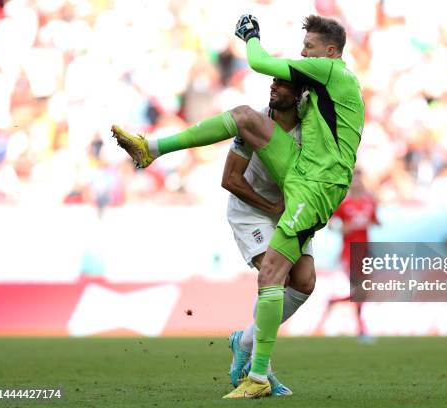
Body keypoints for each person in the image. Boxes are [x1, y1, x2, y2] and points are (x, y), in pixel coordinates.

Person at [111, 14, 364, 399]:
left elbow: (261, 61)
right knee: (245, 118)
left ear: (329, 52)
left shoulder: (331, 73)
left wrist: (251, 37)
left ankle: (249, 353)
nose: (301, 56)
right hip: (286, 186)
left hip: (314, 187)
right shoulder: (304, 105)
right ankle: (152, 148)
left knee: (300, 281)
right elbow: (231, 178)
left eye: (307, 49)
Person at [222, 78, 315, 396]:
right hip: (252, 209)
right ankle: (261, 371)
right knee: (273, 280)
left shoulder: (311, 131)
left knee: (304, 282)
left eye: (283, 85)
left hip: (291, 210)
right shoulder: (254, 124)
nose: (274, 89)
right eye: (273, 83)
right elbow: (230, 178)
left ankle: (244, 341)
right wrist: (271, 205)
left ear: (301, 94)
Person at [317, 168, 379, 342]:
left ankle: (335, 302)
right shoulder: (344, 203)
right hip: (349, 252)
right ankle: (362, 330)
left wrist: (373, 219)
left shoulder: (369, 202)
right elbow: (330, 225)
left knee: (363, 291)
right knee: (359, 289)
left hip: (365, 252)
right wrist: (343, 228)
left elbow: (375, 221)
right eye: (354, 179)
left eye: (359, 178)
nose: (357, 182)